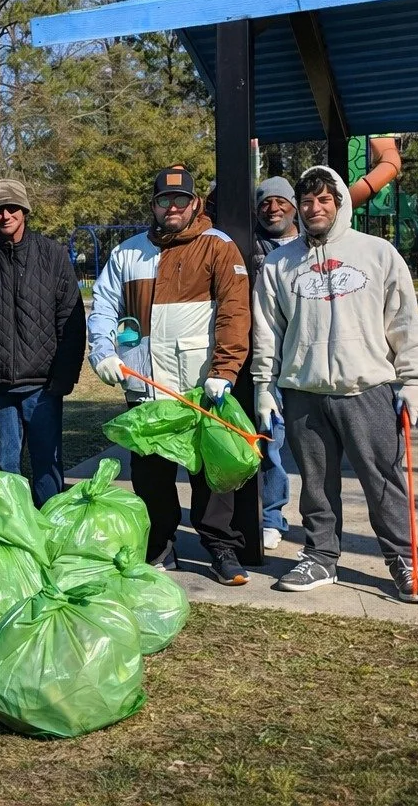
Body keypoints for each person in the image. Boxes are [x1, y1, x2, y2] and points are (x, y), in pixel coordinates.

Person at [251, 165, 418, 604]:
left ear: (339, 204)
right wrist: (263, 385)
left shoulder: (377, 253)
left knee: (383, 478)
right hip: (303, 392)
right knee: (316, 483)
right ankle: (320, 556)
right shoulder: (279, 264)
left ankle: (404, 560)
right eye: (308, 201)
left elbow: (405, 322)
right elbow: (266, 330)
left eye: (324, 200)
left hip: (366, 389)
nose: (315, 209)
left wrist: (414, 382)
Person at [88, 166, 253, 585]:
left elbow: (235, 313)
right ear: (154, 205)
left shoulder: (218, 248)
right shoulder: (128, 253)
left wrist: (225, 369)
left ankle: (220, 547)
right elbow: (104, 308)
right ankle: (159, 544)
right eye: (165, 200)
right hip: (146, 386)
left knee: (210, 472)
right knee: (150, 475)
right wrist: (104, 353)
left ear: (196, 203)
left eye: (181, 200)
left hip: (200, 387)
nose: (173, 207)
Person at [0, 179, 86, 507]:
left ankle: (51, 528)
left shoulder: (52, 255)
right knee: (5, 466)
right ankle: (14, 533)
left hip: (43, 386)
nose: (5, 215)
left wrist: (65, 375)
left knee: (47, 464)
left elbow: (71, 319)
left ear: (24, 210)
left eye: (12, 208)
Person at [253, 177, 302, 551]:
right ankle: (271, 517)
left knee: (311, 450)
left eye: (280, 201)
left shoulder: (310, 247)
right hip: (265, 363)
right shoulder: (250, 248)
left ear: (294, 205)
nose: (273, 208)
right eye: (265, 203)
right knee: (268, 441)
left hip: (305, 363)